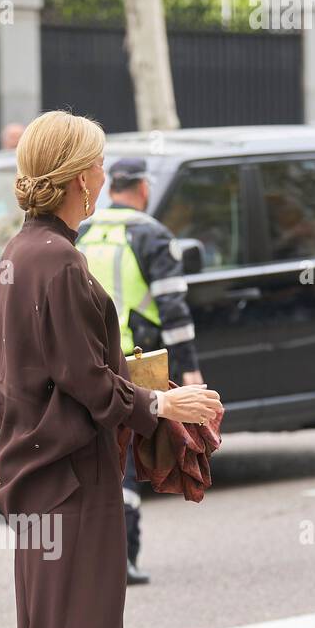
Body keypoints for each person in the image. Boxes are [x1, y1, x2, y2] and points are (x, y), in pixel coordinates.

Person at [0, 111, 221, 628]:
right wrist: (166, 407)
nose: (100, 174)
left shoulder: (19, 257)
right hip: (76, 492)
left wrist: (141, 388)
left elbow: (56, 374)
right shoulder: (59, 263)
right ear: (81, 175)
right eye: (96, 164)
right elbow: (91, 388)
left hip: (36, 495)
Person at [77, 156, 204, 584]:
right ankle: (125, 557)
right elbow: (174, 310)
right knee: (126, 458)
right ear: (144, 189)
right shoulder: (152, 234)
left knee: (95, 455)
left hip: (86, 362)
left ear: (112, 186)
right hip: (135, 363)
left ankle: (92, 555)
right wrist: (190, 372)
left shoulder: (84, 230)